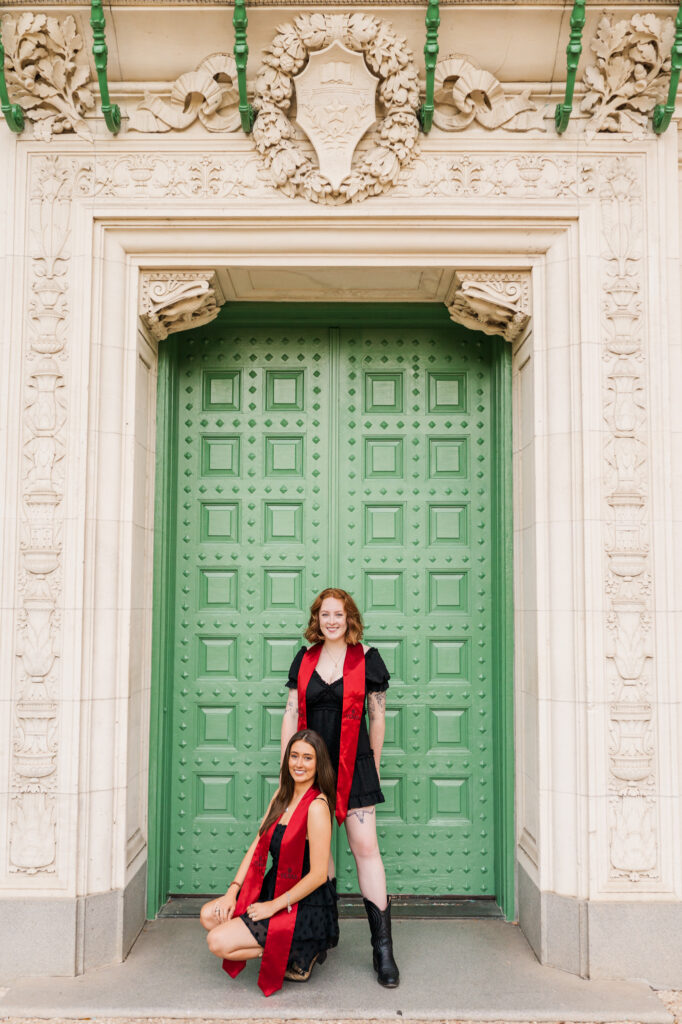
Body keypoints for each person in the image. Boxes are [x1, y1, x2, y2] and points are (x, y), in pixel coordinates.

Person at [282, 588, 400, 988]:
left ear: (350, 618)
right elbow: (291, 714)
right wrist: (289, 769)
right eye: (325, 614)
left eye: (339, 614)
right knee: (317, 855)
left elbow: (377, 718)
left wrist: (375, 767)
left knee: (366, 850)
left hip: (355, 765)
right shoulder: (305, 659)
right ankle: (318, 940)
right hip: (312, 769)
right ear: (317, 618)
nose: (332, 620)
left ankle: (382, 948)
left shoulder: (367, 659)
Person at [200, 730, 339, 996]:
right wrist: (233, 891)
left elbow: (319, 875)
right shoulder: (282, 795)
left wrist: (271, 907)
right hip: (274, 887)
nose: (299, 764)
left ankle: (301, 947)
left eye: (307, 758)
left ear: (318, 763)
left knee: (217, 942)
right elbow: (257, 844)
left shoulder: (317, 806)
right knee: (210, 915)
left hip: (305, 902)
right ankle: (292, 948)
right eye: (294, 756)